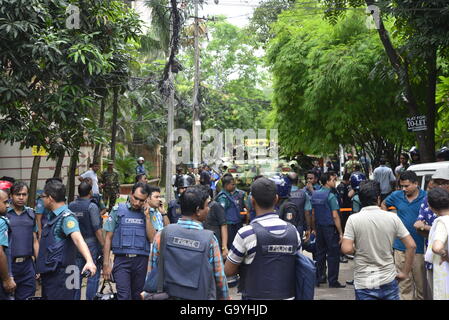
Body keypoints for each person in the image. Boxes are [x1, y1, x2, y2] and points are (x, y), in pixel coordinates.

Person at [147, 185, 229, 300]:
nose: (209, 209)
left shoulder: (162, 235)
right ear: (197, 210)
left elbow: (152, 271)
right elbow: (220, 278)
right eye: (206, 205)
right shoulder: (209, 240)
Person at [225, 177, 301, 300]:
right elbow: (296, 265)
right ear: (276, 199)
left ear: (252, 200)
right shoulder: (293, 232)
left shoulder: (246, 233)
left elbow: (228, 270)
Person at [342, 181, 416, 300]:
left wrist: (358, 250)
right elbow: (411, 245)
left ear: (360, 199)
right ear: (378, 198)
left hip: (364, 281)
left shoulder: (353, 220)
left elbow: (346, 248)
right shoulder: (392, 217)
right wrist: (404, 272)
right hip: (388, 279)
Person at [36, 180, 96, 300]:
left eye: (43, 197)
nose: (42, 200)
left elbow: (78, 239)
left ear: (50, 198)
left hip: (63, 276)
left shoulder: (67, 217)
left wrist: (89, 261)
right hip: (53, 275)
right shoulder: (53, 216)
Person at [103, 182, 155, 300]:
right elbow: (108, 238)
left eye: (141, 200)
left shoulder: (150, 214)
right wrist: (106, 263)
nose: (137, 203)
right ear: (131, 194)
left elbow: (152, 238)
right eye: (135, 198)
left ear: (146, 200)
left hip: (142, 262)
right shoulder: (117, 211)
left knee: (138, 296)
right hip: (122, 261)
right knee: (124, 296)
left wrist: (147, 217)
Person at [381, 170, 426, 300]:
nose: (404, 189)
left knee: (421, 286)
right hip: (400, 247)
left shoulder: (426, 197)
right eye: (402, 186)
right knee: (404, 284)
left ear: (416, 184)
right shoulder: (396, 195)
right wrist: (389, 218)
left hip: (419, 249)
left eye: (406, 186)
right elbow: (384, 204)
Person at [415, 169, 449, 299]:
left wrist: (428, 228)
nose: (440, 186)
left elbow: (437, 246)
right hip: (435, 262)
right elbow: (419, 227)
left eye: (444, 183)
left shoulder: (442, 221)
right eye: (437, 183)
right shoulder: (429, 199)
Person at [68, 182, 105, 300]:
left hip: (75, 244)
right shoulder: (92, 206)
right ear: (90, 192)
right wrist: (104, 245)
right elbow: (97, 228)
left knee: (74, 274)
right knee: (93, 274)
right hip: (91, 244)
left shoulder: (71, 206)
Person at [311, 172, 345, 288]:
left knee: (320, 253)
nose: (335, 182)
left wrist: (313, 228)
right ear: (327, 182)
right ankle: (333, 281)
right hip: (330, 228)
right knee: (333, 255)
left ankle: (319, 278)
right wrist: (340, 232)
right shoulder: (331, 196)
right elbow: (335, 216)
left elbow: (313, 214)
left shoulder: (315, 194)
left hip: (319, 227)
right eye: (333, 180)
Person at [6, 181, 39, 300]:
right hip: (8, 267)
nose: (21, 197)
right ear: (11, 196)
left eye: (24, 194)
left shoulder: (31, 214)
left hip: (27, 267)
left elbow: (34, 241)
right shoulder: (4, 214)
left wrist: (38, 265)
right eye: (17, 194)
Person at [425, 187, 449, 299]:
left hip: (444, 269)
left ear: (431, 206)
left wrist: (445, 255)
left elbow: (437, 247)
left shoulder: (442, 222)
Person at [278, 172, 312, 241]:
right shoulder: (304, 194)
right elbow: (307, 212)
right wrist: (308, 229)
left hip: (283, 227)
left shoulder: (281, 194)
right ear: (298, 181)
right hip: (298, 227)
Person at [203, 185, 229, 260]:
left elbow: (224, 225)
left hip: (216, 243)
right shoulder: (201, 208)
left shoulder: (216, 206)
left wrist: (224, 247)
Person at [0, 189, 16, 300]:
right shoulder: (1, 223)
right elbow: (0, 253)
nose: (7, 206)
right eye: (5, 202)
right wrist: (6, 279)